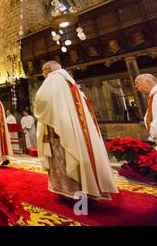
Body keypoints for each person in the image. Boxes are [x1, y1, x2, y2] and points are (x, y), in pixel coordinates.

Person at [34, 61, 118, 200]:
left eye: (43, 71)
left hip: (60, 128)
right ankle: (88, 190)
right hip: (75, 128)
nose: (43, 74)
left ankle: (70, 192)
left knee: (65, 158)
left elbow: (41, 101)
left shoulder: (52, 80)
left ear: (48, 69)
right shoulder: (69, 81)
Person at [135, 74, 157, 144]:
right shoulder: (153, 96)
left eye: (138, 85)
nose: (137, 88)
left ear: (148, 82)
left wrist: (152, 138)